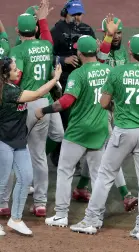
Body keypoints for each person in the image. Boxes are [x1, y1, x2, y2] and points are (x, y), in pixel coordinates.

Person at [70, 34, 139, 240]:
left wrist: (116, 104)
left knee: (105, 175)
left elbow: (103, 103)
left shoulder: (117, 72)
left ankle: (92, 220)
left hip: (124, 131)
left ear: (130, 52)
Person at [30, 35, 107, 227]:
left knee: (65, 170)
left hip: (78, 131)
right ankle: (97, 216)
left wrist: (43, 110)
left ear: (80, 53)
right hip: (100, 128)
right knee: (98, 175)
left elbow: (65, 102)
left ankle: (61, 215)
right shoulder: (107, 70)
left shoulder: (78, 74)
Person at [71, 15, 138, 212]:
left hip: (119, 108)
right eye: (112, 32)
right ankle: (126, 195)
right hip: (100, 107)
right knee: (110, 151)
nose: (116, 36)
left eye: (119, 32)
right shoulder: (99, 51)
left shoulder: (124, 53)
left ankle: (82, 187)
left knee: (99, 149)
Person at [8, 5, 64, 218]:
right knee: (39, 154)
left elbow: (17, 77)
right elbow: (49, 55)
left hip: (27, 103)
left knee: (15, 150)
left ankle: (8, 200)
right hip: (46, 99)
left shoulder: (18, 51)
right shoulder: (47, 46)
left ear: (18, 30)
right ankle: (40, 203)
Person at [0, 56, 62, 236]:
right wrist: (55, 79)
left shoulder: (12, 87)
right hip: (4, 141)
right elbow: (36, 95)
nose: (18, 70)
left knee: (26, 177)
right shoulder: (8, 92)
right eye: (14, 69)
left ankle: (16, 219)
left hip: (19, 141)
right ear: (5, 74)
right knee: (2, 182)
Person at [50, 0, 96, 166]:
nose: (78, 18)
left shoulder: (87, 30)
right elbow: (48, 56)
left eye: (80, 14)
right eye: (74, 14)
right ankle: (58, 154)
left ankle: (78, 154)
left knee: (80, 116)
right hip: (62, 81)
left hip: (84, 79)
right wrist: (63, 60)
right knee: (64, 119)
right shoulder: (56, 30)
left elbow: (94, 51)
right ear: (65, 13)